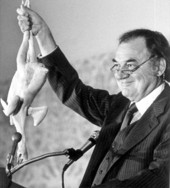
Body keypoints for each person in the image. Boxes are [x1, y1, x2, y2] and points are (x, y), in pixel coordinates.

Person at [17, 5, 170, 188]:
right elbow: (73, 90)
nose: (120, 75)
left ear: (159, 67)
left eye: (130, 65)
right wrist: (41, 33)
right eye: (117, 66)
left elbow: (159, 177)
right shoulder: (119, 106)